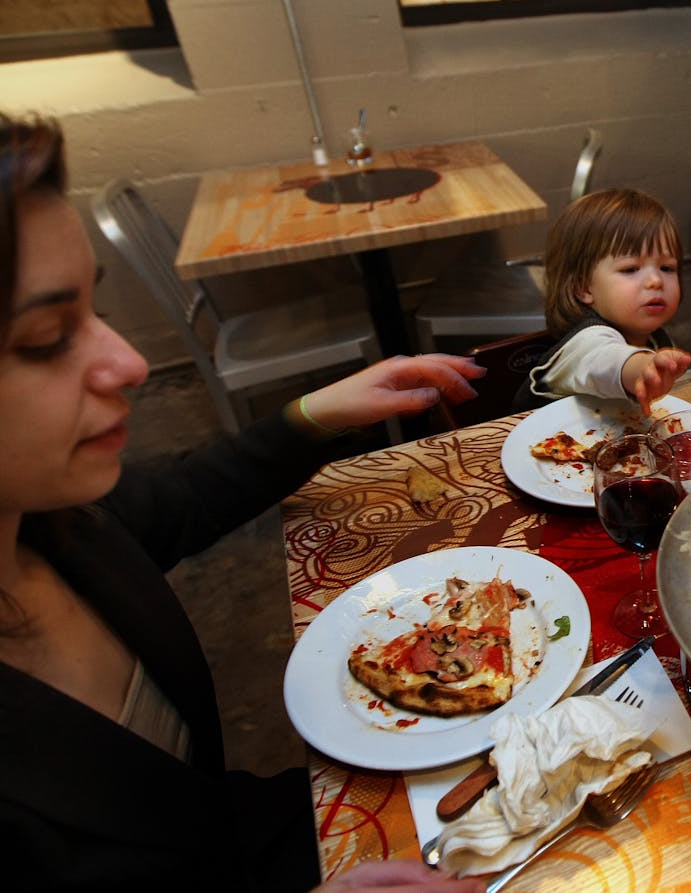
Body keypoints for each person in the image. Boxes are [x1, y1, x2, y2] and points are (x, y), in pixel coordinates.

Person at [0, 113, 487, 892]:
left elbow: (184, 496)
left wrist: (316, 411)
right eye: (45, 337)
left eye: (97, 312)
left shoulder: (50, 524)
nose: (128, 364)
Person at [516, 188, 691, 415]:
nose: (656, 281)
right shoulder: (585, 343)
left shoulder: (654, 337)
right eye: (631, 269)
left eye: (667, 268)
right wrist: (642, 368)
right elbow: (605, 361)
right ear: (584, 287)